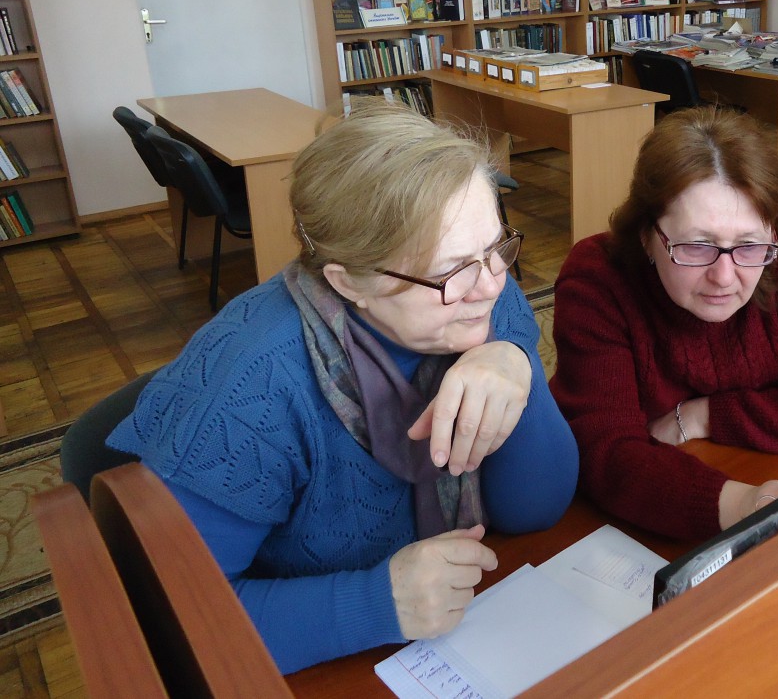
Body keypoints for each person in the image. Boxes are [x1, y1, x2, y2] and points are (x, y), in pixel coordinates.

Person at [108, 106, 578, 674]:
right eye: (451, 271)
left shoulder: (483, 295)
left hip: (462, 629)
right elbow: (179, 620)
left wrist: (514, 364)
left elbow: (538, 509)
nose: (492, 286)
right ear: (349, 281)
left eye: (498, 246)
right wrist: (376, 603)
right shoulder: (249, 392)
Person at [550, 106, 778, 542]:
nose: (725, 277)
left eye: (748, 245)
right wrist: (742, 506)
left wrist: (706, 415)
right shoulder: (598, 278)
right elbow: (605, 451)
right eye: (696, 246)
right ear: (647, 236)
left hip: (741, 465)